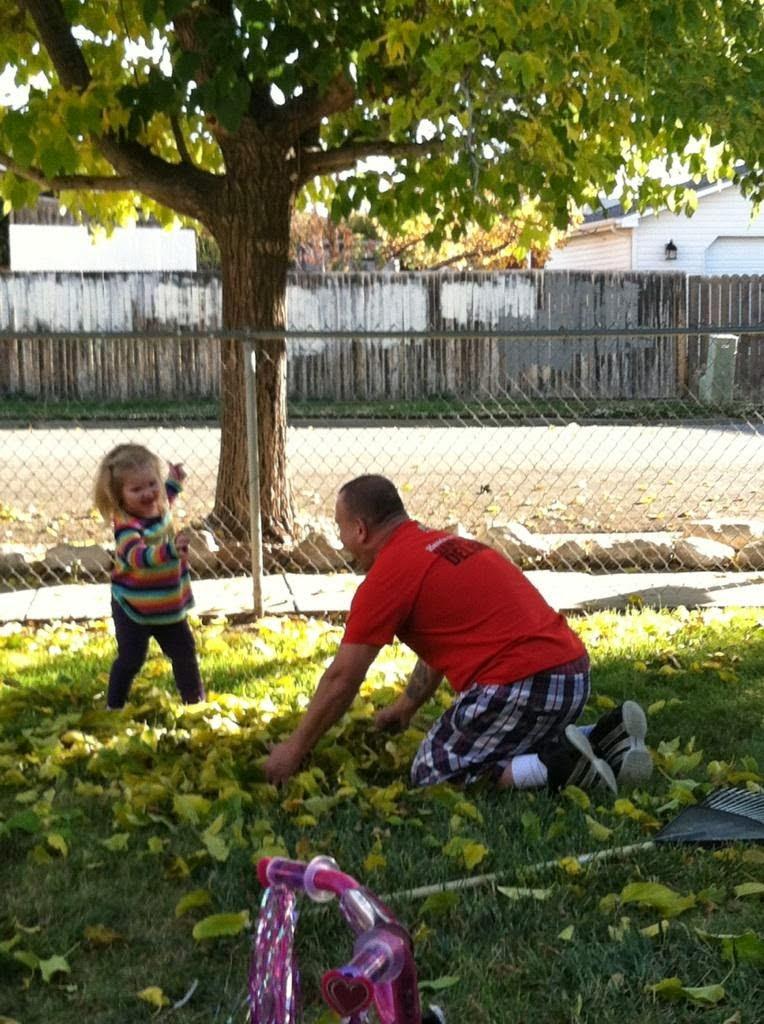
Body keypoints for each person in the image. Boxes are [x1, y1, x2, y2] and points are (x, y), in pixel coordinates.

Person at [265, 475, 652, 793]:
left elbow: (342, 678)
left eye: (340, 528)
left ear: (360, 529)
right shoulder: (442, 545)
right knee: (503, 742)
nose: (341, 540)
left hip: (523, 686)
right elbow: (442, 645)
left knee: (434, 772)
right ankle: (605, 734)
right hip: (571, 679)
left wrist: (294, 748)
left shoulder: (387, 576)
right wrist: (406, 707)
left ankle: (560, 766)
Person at [93, 443, 204, 710]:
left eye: (151, 484)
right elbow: (135, 557)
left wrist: (174, 481)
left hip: (167, 603)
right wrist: (169, 551)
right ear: (119, 496)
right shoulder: (126, 525)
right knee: (131, 658)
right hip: (132, 606)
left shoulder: (159, 503)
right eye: (136, 489)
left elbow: (167, 495)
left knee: (185, 653)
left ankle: (195, 704)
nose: (148, 493)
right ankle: (114, 706)